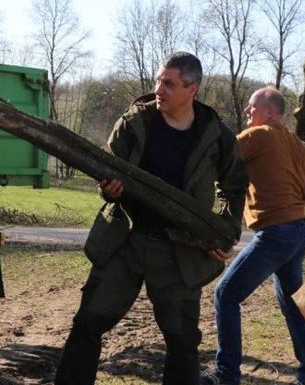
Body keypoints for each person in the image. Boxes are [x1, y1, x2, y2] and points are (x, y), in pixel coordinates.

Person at [54, 52, 248, 385]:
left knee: (183, 341)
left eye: (169, 83)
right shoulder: (134, 122)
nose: (159, 88)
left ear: (192, 89)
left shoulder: (215, 134)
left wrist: (224, 231)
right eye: (159, 80)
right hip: (126, 240)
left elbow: (233, 187)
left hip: (179, 252)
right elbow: (106, 171)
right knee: (88, 324)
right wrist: (109, 190)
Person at [200, 86, 305, 385]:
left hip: (276, 234)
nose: (246, 112)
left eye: (251, 107)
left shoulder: (258, 136)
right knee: (296, 304)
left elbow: (217, 158)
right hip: (298, 232)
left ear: (269, 112)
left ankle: (226, 374)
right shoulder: (301, 145)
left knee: (225, 295)